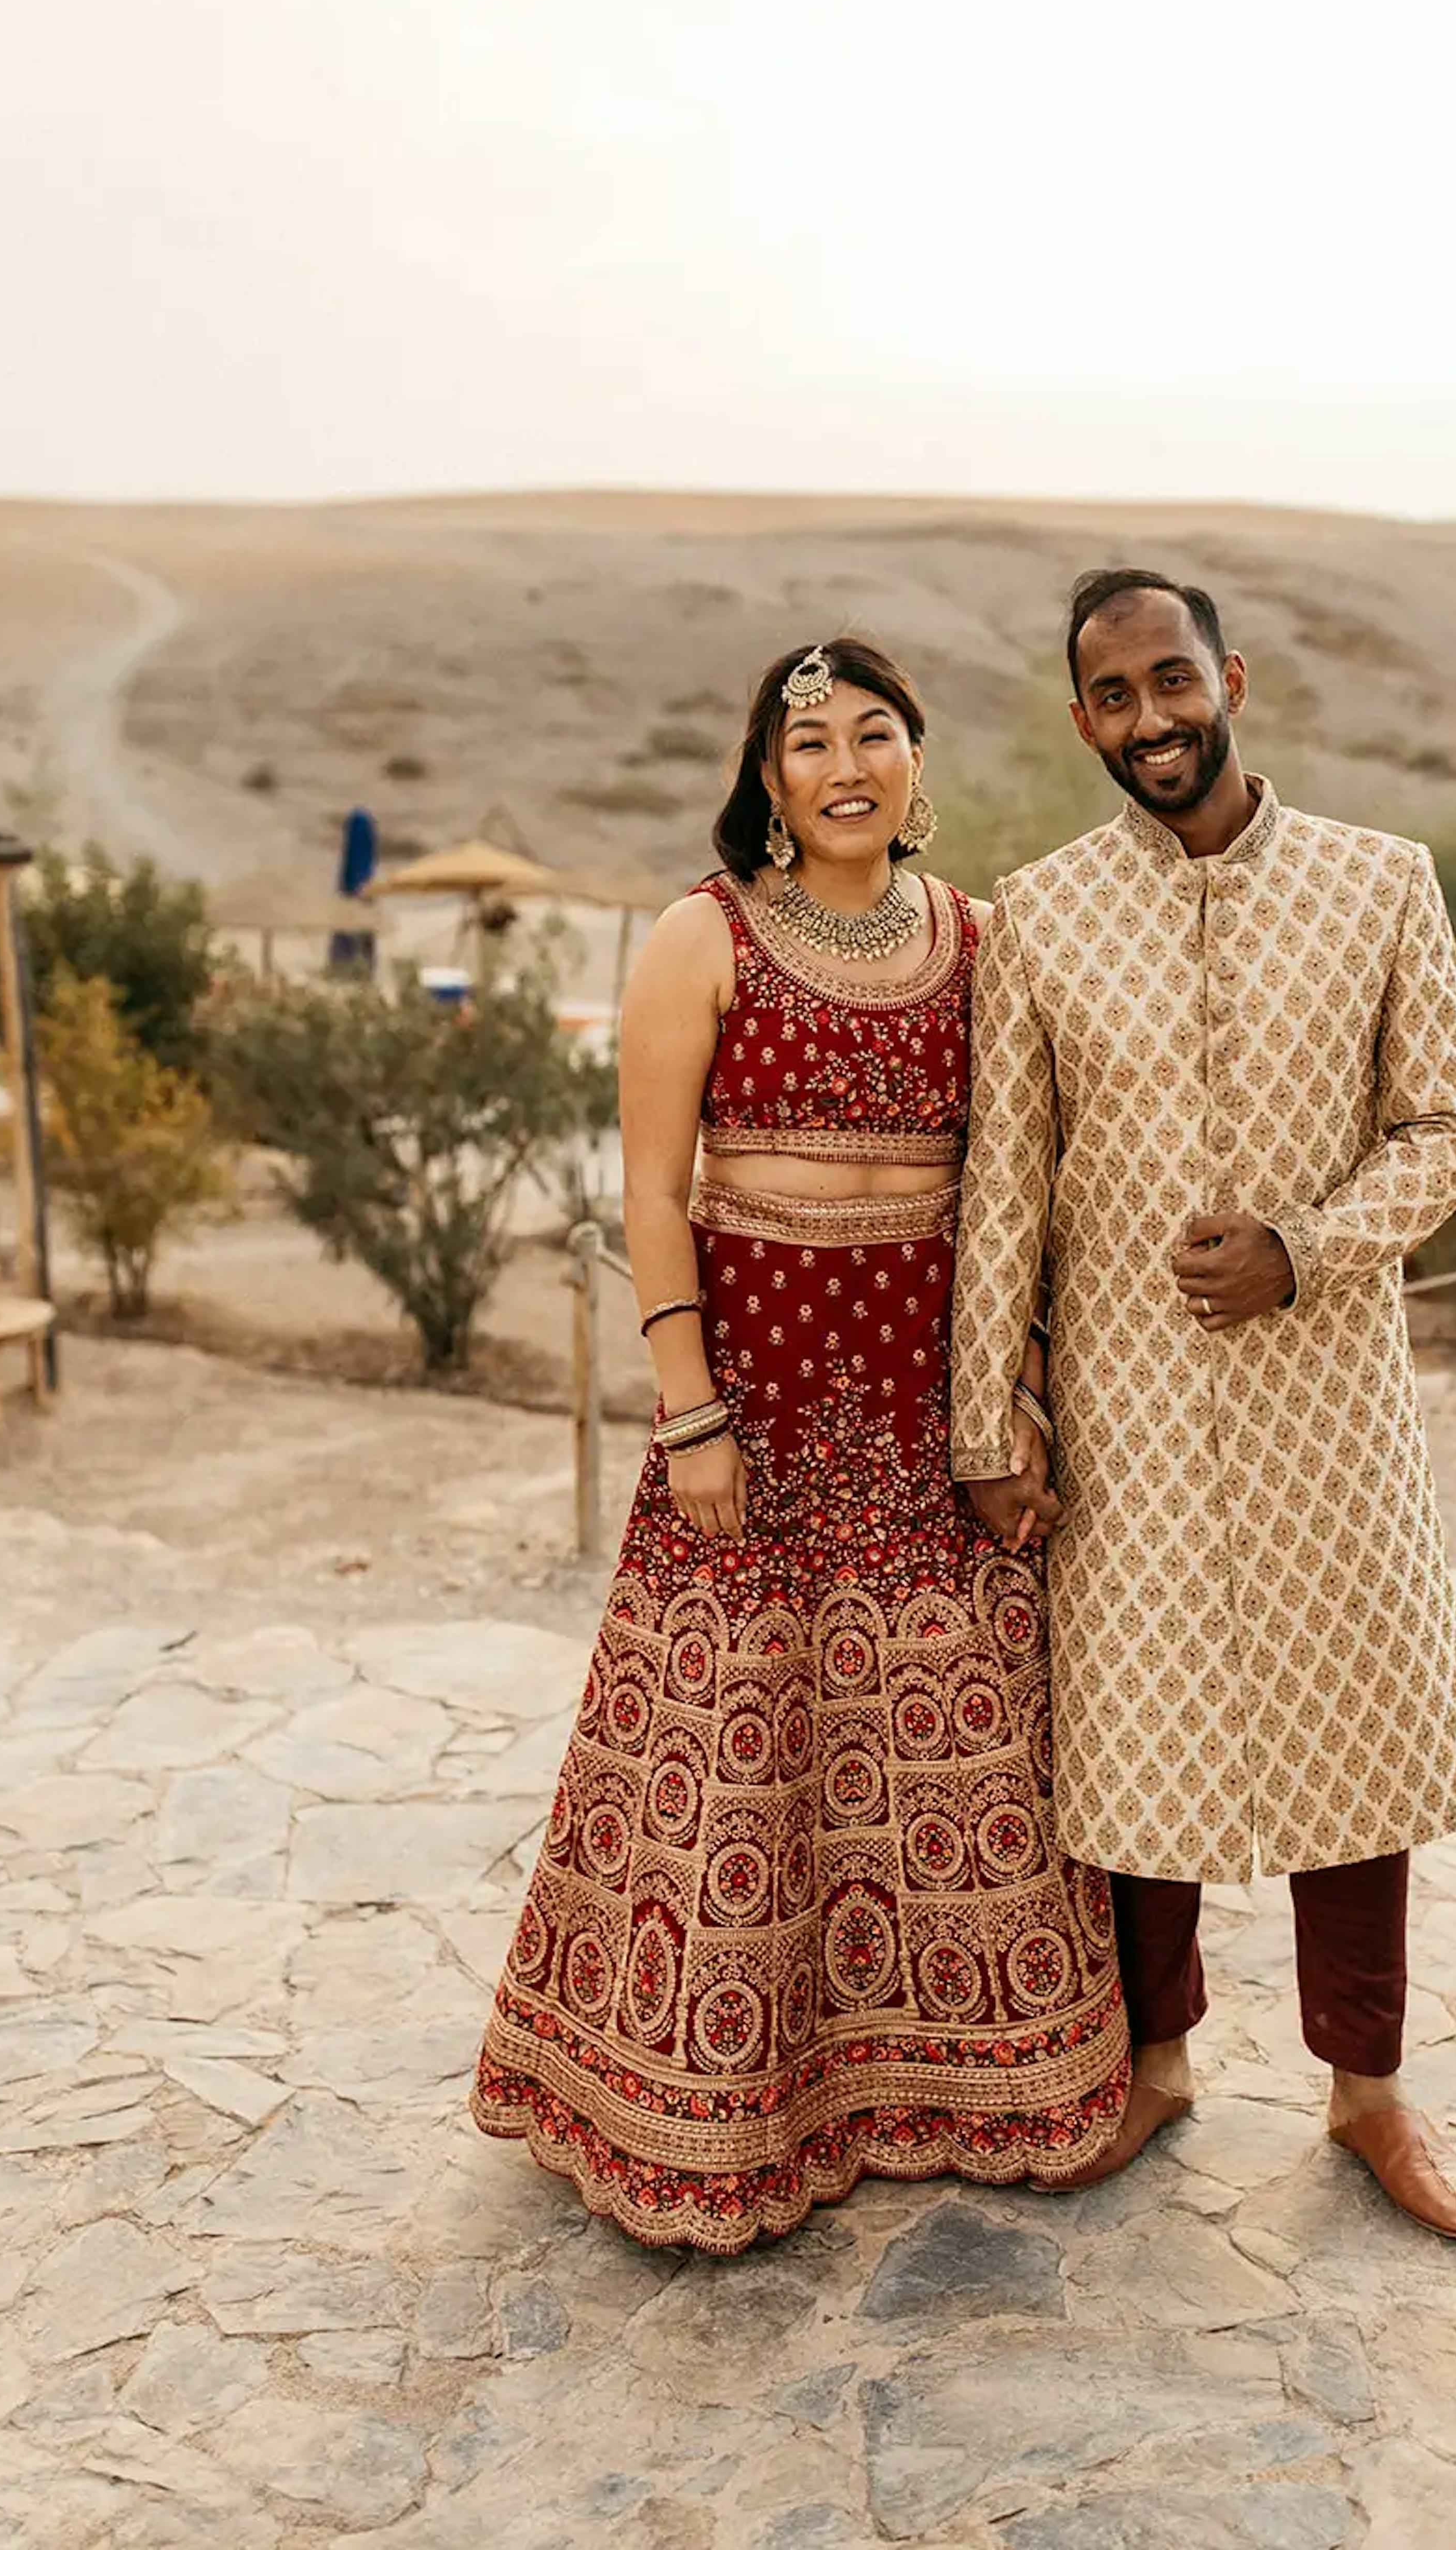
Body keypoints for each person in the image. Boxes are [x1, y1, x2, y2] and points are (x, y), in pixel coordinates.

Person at [471, 638, 1130, 2252]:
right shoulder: (705, 935)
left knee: (945, 1754)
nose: (845, 766)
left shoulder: (981, 938)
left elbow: (1018, 1185)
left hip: (927, 1411)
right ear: (769, 778)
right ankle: (703, 2116)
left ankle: (973, 2083)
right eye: (809, 741)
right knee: (739, 1759)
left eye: (875, 735)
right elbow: (648, 1193)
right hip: (754, 1407)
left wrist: (1021, 1388)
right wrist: (690, 1412)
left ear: (921, 762)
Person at [951, 567, 1456, 2240]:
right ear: (1082, 722)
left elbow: (1452, 1128)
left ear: (1231, 678)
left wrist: (1309, 1249)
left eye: (1171, 684)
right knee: (1131, 1742)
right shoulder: (1039, 913)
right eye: (1113, 700)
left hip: (1329, 1402)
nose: (1150, 724)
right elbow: (1008, 1189)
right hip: (1124, 1412)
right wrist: (994, 1418)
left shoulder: (1379, 884)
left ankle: (1369, 2099)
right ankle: (1156, 2070)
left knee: (1359, 1743)